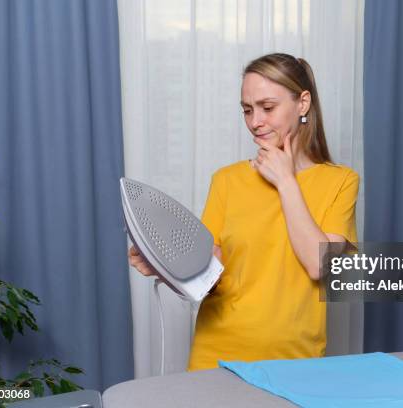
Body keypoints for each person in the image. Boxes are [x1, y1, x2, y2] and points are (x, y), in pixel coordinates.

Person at [129, 53, 359, 371]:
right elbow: (209, 278)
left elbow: (320, 266)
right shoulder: (226, 180)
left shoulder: (340, 181)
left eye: (268, 107)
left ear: (303, 103)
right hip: (217, 357)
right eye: (247, 110)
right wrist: (165, 264)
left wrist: (286, 182)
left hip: (296, 363)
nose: (255, 122)